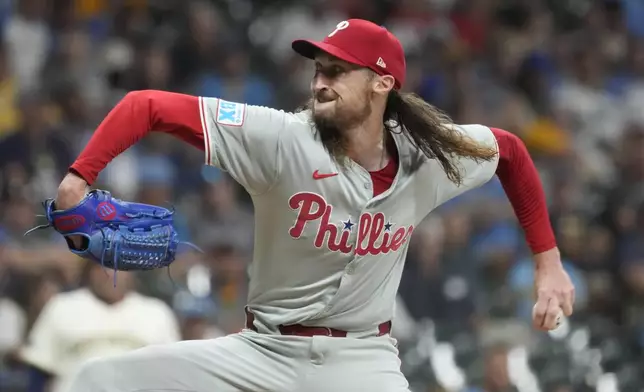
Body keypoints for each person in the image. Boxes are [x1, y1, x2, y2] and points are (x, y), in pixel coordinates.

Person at [53, 19, 574, 392]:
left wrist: (547, 263)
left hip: (362, 360)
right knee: (99, 379)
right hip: (259, 355)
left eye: (337, 71)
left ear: (382, 82)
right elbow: (147, 105)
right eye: (318, 69)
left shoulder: (430, 154)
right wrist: (78, 179)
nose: (319, 81)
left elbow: (509, 150)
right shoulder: (279, 137)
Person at [19, 263, 180, 392]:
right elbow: (40, 367)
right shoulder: (62, 306)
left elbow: (172, 374)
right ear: (89, 272)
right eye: (102, 266)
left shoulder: (156, 312)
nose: (109, 274)